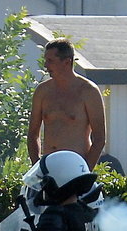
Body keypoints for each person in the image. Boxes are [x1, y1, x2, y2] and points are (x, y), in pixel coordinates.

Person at [28, 38, 106, 168]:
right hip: (48, 167)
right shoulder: (42, 91)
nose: (46, 65)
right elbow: (32, 134)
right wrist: (37, 167)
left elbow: (99, 138)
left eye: (50, 61)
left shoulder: (88, 91)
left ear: (66, 62)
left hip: (75, 167)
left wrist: (84, 171)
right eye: (46, 60)